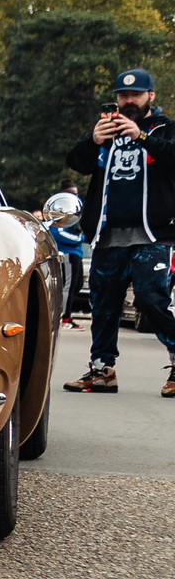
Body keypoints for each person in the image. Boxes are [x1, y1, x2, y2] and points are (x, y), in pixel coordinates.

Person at [61, 67, 175, 395]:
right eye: (123, 95)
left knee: (151, 298)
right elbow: (77, 162)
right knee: (104, 302)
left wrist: (142, 136)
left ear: (150, 96)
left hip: (154, 233)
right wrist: (92, 140)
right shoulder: (106, 132)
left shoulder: (165, 129)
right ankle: (101, 370)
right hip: (108, 234)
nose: (128, 101)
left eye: (135, 95)